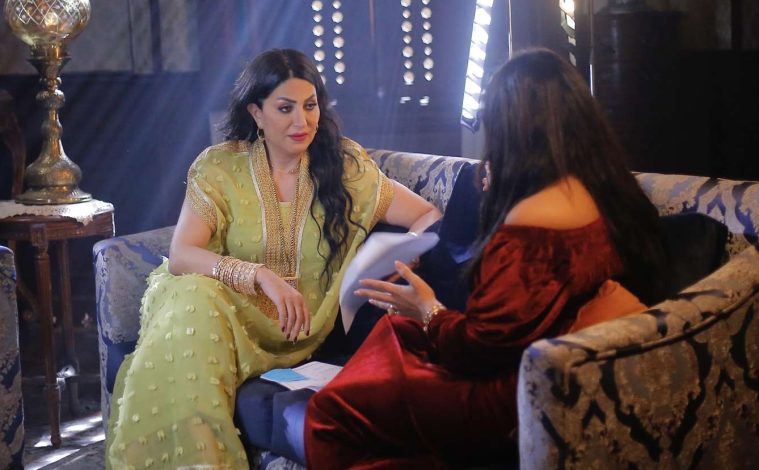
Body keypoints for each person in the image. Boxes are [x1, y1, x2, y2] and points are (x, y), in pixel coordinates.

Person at [304, 47, 667, 468]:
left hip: (512, 390)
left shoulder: (529, 228)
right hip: (545, 359)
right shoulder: (601, 187)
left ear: (512, 129)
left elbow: (482, 348)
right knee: (397, 333)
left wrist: (428, 309)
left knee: (327, 413)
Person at [105, 49, 441, 469]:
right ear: (256, 113)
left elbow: (428, 215)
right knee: (193, 298)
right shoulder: (220, 167)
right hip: (221, 313)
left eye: (310, 106)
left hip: (301, 330)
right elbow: (181, 255)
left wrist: (400, 261)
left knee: (193, 305)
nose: (302, 122)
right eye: (285, 108)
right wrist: (260, 275)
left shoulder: (345, 168)